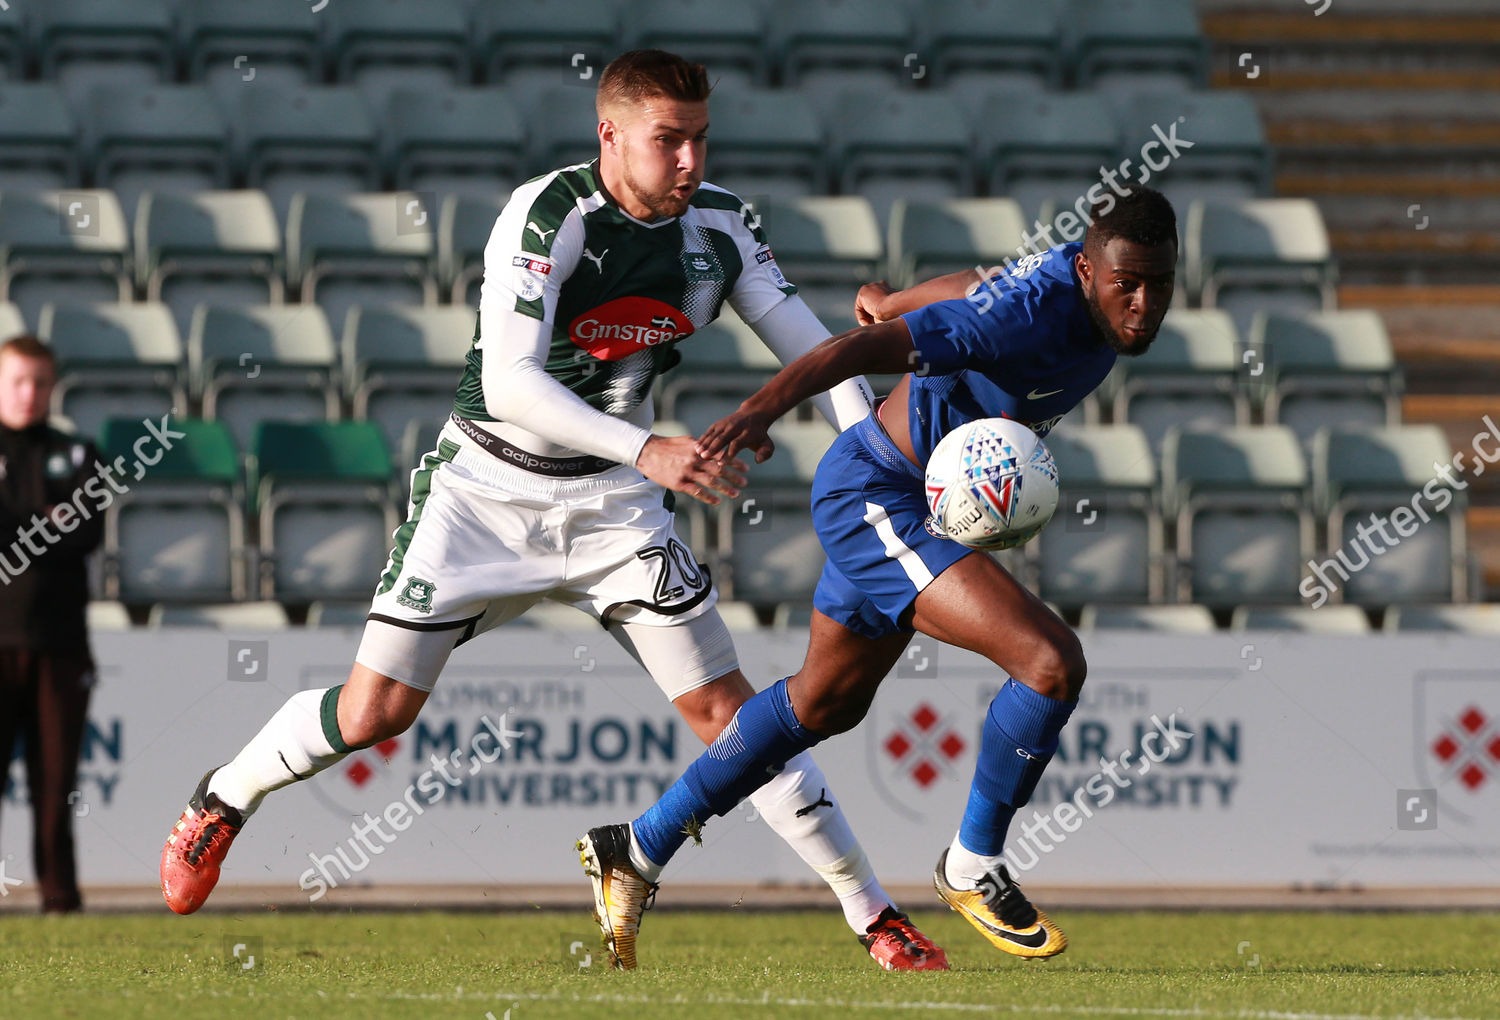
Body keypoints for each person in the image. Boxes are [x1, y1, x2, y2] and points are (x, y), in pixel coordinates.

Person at [160, 48, 947, 973]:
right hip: (485, 490)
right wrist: (650, 447)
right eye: (668, 141)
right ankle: (223, 798)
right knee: (377, 712)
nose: (690, 161)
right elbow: (512, 383)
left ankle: (873, 912)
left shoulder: (722, 227)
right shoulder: (549, 214)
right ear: (609, 135)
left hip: (614, 509)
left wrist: (873, 451)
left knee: (733, 718)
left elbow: (819, 354)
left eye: (699, 138)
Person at [581, 187, 1179, 964]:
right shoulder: (1028, 314)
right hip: (878, 495)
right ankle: (973, 866)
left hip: (910, 508)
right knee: (1049, 662)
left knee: (822, 704)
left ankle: (637, 847)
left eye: (1157, 284)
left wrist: (891, 296)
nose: (1141, 304)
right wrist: (761, 411)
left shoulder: (1056, 294)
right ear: (1086, 268)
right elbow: (855, 352)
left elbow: (971, 279)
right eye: (1124, 283)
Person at [0, 335, 106, 913]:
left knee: (55, 782)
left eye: (39, 382)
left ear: (53, 386)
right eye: (17, 380)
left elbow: (87, 532)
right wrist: (47, 518)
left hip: (62, 646)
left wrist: (23, 520)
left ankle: (60, 899)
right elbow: (53, 526)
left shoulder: (77, 450)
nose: (29, 393)